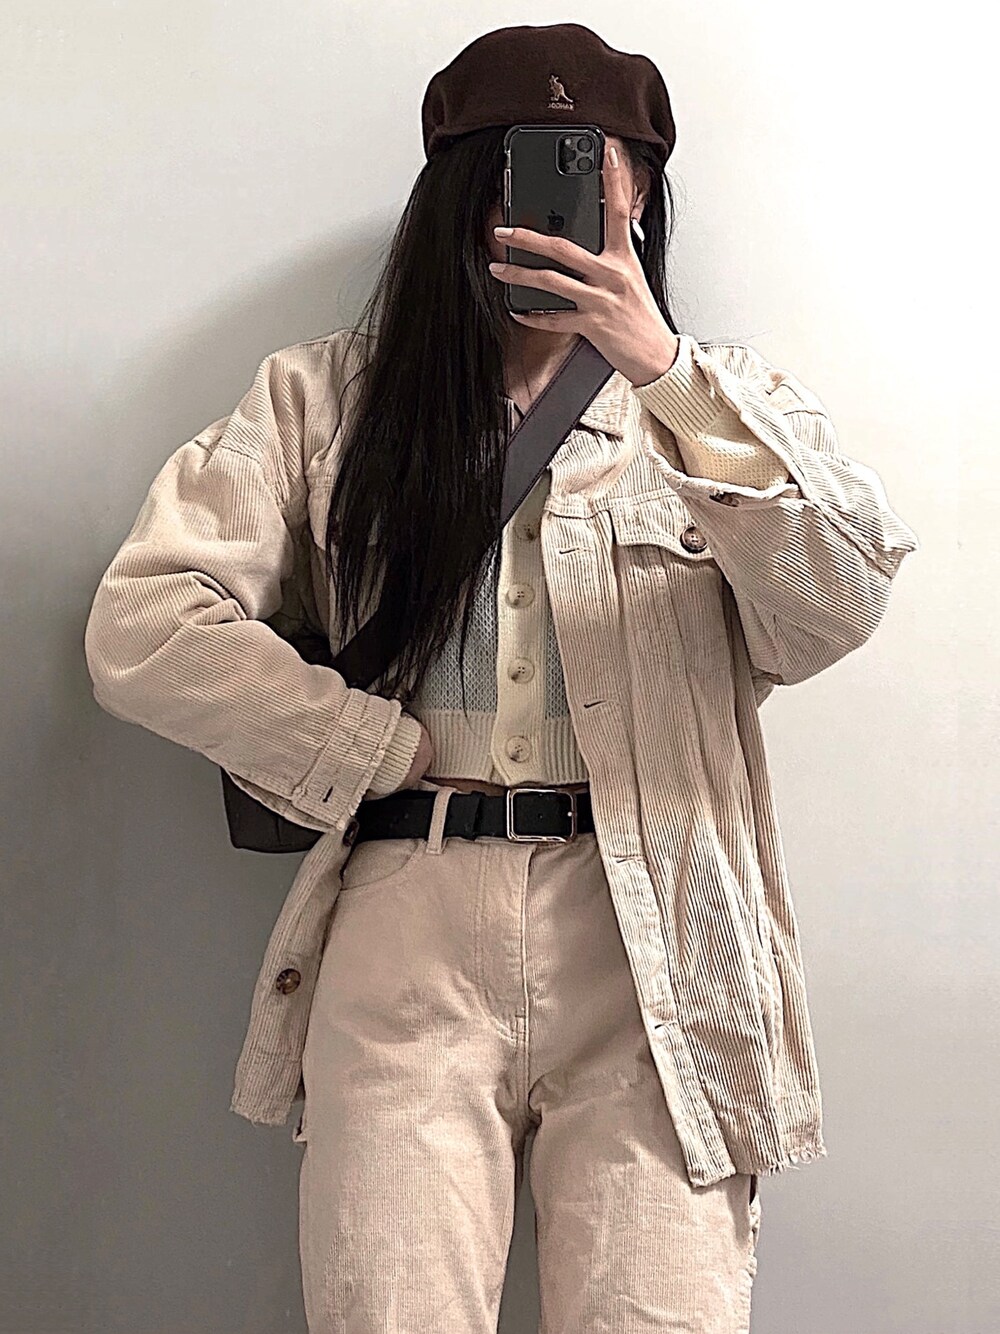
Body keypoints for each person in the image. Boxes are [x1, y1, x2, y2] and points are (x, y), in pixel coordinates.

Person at [83, 22, 920, 1333]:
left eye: (593, 164)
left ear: (639, 190)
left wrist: (666, 374)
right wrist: (352, 745)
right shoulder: (327, 400)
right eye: (515, 166)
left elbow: (836, 607)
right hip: (407, 924)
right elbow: (144, 620)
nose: (553, 199)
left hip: (659, 931)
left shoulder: (723, 406)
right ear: (456, 194)